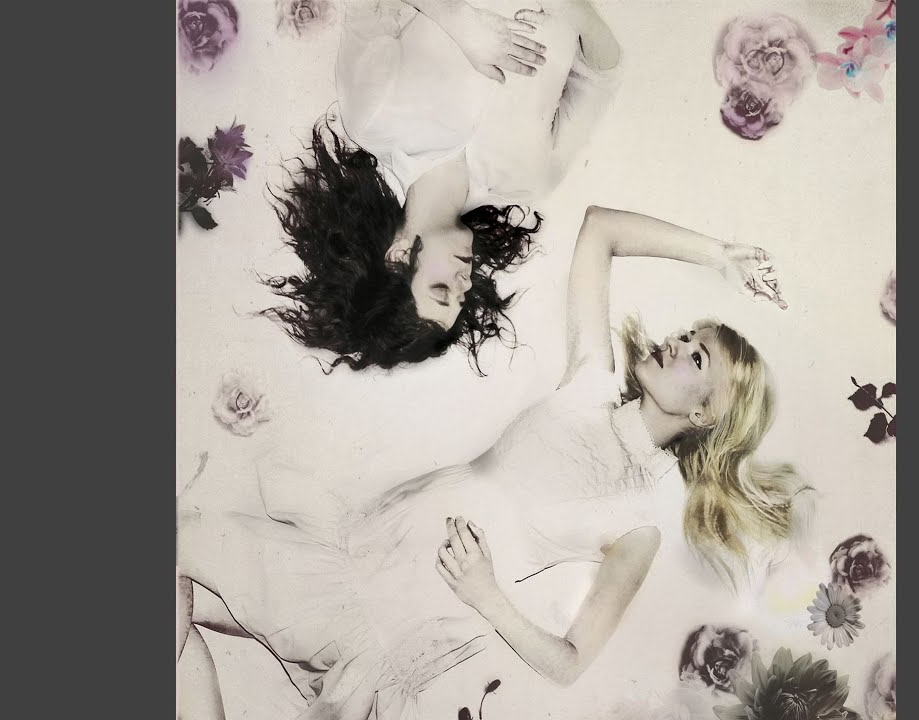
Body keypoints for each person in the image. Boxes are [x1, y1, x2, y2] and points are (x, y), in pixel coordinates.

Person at [178, 205, 801, 719]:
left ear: (704, 414)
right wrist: (720, 253)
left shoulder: (637, 523)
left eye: (697, 358)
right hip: (348, 551)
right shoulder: (590, 384)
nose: (678, 342)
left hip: (390, 624)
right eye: (689, 334)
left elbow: (568, 663)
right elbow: (600, 229)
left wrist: (487, 595)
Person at [262, 0, 627, 373]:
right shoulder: (527, 183)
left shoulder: (372, 118)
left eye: (441, 291)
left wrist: (458, 19)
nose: (463, 285)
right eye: (461, 299)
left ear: (398, 256)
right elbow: (603, 72)